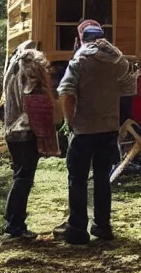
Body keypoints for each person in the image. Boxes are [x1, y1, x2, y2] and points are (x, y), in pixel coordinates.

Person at [57, 19, 136, 245]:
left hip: (84, 129)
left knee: (78, 179)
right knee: (102, 178)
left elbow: (67, 92)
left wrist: (69, 122)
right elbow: (129, 87)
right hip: (109, 128)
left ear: (83, 38)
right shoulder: (117, 60)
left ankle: (77, 229)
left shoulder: (80, 60)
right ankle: (102, 226)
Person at [2, 46, 59, 241]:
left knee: (20, 177)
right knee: (23, 179)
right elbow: (36, 104)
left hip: (12, 131)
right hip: (25, 131)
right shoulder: (29, 76)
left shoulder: (12, 73)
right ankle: (14, 225)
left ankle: (13, 221)